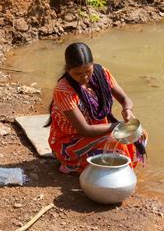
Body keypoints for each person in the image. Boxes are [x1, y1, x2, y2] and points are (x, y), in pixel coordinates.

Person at [46, 42, 146, 174]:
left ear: (93, 64)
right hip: (71, 141)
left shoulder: (102, 73)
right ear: (68, 70)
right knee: (119, 145)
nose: (85, 77)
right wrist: (119, 126)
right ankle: (72, 164)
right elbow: (85, 130)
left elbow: (124, 99)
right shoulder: (64, 91)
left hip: (98, 130)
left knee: (140, 134)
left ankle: (121, 171)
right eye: (78, 74)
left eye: (88, 71)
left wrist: (127, 111)